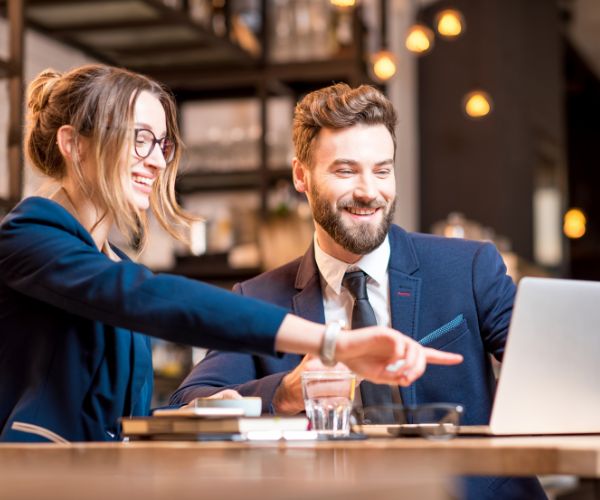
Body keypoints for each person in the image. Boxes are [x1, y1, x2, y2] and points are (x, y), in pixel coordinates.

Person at [0, 66, 462, 443]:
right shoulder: (28, 239)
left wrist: (208, 411)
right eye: (138, 138)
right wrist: (332, 342)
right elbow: (152, 298)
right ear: (73, 143)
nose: (158, 162)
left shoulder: (112, 261)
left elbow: (119, 418)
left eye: (161, 144)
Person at [170, 83, 547, 499]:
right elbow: (187, 405)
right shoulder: (257, 298)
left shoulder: (469, 267)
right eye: (346, 170)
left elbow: (549, 368)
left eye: (382, 170)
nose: (370, 191)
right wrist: (285, 392)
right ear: (302, 175)